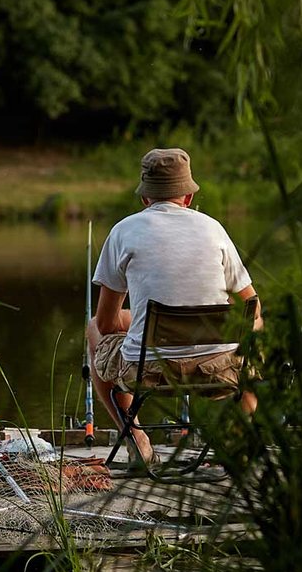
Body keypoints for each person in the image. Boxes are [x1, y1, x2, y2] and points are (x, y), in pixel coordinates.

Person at [86, 147, 260, 463]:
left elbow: (106, 325)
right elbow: (253, 308)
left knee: (92, 329)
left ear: (145, 198)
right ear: (188, 197)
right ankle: (236, 442)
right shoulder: (214, 229)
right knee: (253, 341)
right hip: (218, 371)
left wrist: (139, 321)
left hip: (148, 371)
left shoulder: (123, 231)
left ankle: (137, 439)